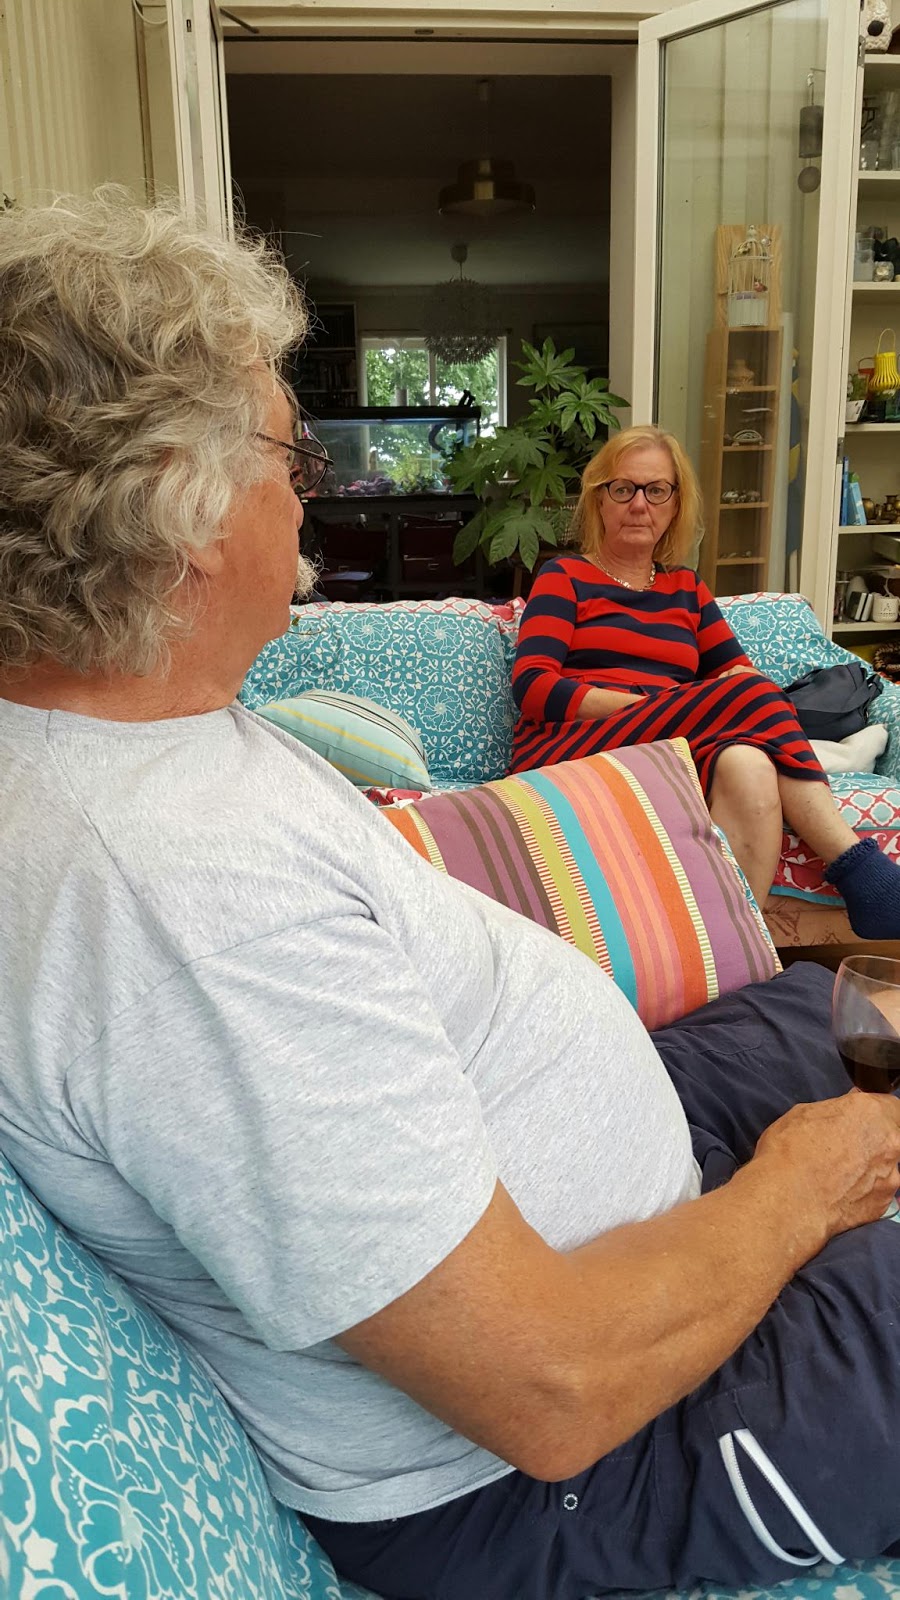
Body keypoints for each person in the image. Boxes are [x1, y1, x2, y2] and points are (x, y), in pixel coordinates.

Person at [4, 194, 900, 1600]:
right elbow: (551, 1386)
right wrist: (802, 1187)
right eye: (290, 452)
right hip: (557, 1455)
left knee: (828, 1012)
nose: (308, 493)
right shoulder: (176, 904)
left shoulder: (149, 722)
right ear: (182, 505)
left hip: (604, 1169)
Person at [510, 425, 900, 936]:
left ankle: (735, 950)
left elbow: (740, 675)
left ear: (675, 505)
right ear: (599, 500)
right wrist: (651, 708)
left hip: (665, 748)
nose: (639, 504)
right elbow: (533, 687)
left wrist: (686, 710)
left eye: (656, 490)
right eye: (622, 489)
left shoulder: (686, 588)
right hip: (571, 745)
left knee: (748, 762)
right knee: (749, 694)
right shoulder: (564, 576)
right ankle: (858, 868)